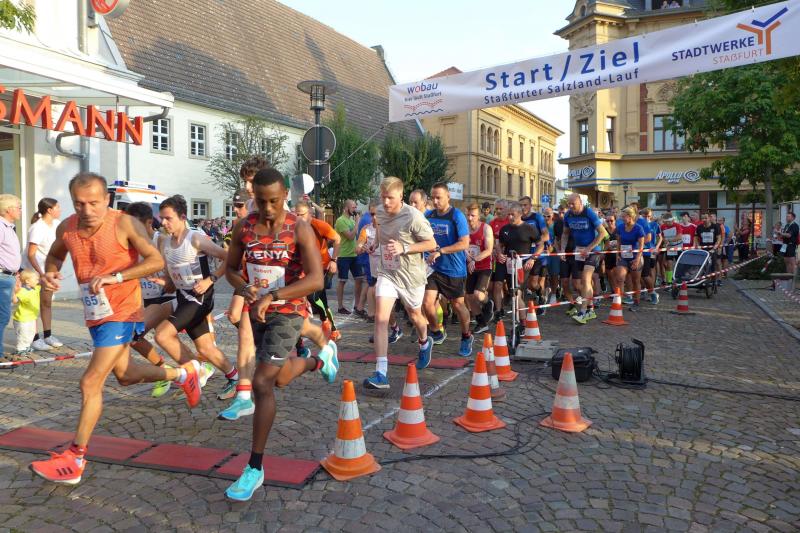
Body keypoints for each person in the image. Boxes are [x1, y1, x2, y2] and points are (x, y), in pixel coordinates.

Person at [30, 173, 201, 485]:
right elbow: (54, 254)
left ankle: (75, 459)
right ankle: (182, 374)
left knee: (90, 381)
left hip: (122, 310)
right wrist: (50, 273)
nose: (87, 210)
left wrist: (117, 277)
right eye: (79, 204)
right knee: (126, 375)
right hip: (95, 312)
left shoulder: (124, 224)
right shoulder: (67, 227)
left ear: (107, 199)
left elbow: (154, 261)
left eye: (94, 203)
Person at [223, 168, 337, 501]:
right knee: (281, 379)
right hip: (258, 312)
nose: (268, 208)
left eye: (274, 201)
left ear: (285, 195)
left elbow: (315, 279)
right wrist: (244, 288)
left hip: (289, 312)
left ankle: (254, 467)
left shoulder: (298, 228)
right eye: (261, 201)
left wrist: (274, 295)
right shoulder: (244, 227)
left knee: (261, 383)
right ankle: (318, 361)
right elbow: (231, 269)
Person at [153, 195, 237, 397]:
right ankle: (235, 377)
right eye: (161, 218)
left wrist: (211, 279)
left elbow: (228, 257)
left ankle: (194, 373)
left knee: (162, 335)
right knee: (206, 348)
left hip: (200, 299)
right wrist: (164, 282)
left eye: (168, 218)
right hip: (184, 297)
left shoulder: (195, 238)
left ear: (183, 217)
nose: (163, 223)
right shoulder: (166, 243)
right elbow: (172, 280)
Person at [363, 177, 435, 390]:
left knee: (415, 315)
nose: (385, 202)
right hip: (387, 272)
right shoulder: (380, 212)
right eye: (383, 197)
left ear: (401, 196)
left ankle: (424, 341)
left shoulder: (413, 216)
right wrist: (375, 244)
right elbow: (381, 229)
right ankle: (381, 372)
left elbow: (431, 243)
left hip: (411, 277)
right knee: (380, 318)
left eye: (390, 198)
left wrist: (404, 248)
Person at [125, 202, 184, 399]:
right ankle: (171, 370)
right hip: (147, 299)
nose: (132, 230)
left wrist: (168, 279)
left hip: (166, 297)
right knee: (164, 338)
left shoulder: (161, 240)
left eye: (136, 226)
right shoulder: (130, 244)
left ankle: (176, 372)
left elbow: (175, 271)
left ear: (149, 223)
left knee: (134, 335)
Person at [423, 183, 473, 357]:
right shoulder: (429, 215)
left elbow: (464, 243)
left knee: (458, 305)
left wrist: (441, 251)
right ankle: (437, 331)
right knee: (427, 303)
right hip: (434, 268)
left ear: (448, 197)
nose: (435, 201)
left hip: (454, 269)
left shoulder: (457, 216)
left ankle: (466, 336)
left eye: (439, 197)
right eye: (433, 198)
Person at [293, 200, 341, 344]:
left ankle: (325, 320)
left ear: (310, 214)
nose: (298, 218)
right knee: (322, 299)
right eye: (296, 215)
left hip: (322, 266)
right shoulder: (293, 227)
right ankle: (334, 330)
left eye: (301, 215)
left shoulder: (319, 225)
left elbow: (337, 239)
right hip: (304, 268)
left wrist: (334, 260)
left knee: (312, 296)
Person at [496, 202, 544, 335]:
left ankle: (522, 323)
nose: (510, 217)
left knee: (516, 293)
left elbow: (541, 245)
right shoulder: (505, 229)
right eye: (509, 214)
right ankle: (519, 321)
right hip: (509, 264)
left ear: (520, 214)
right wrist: (499, 253)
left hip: (523, 265)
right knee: (514, 293)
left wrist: (532, 258)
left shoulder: (529, 228)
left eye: (513, 215)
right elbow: (500, 245)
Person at [561, 193, 608, 324]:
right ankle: (590, 309)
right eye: (569, 204)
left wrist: (589, 248)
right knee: (579, 284)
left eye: (573, 204)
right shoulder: (568, 215)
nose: (571, 206)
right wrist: (563, 249)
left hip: (593, 250)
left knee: (586, 279)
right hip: (579, 251)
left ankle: (583, 312)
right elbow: (565, 234)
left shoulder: (589, 213)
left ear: (580, 203)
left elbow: (603, 233)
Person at [25, 198, 63, 351]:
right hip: (32, 272)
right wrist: (41, 274)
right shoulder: (37, 228)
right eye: (57, 207)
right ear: (49, 210)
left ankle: (48, 336)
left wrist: (54, 270)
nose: (60, 210)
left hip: (47, 271)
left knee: (46, 303)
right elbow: (31, 254)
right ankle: (34, 339)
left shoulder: (57, 224)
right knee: (33, 305)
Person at [465, 203, 494, 335]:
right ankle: (481, 323)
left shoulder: (486, 228)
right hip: (470, 266)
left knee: (478, 295)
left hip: (484, 266)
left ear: (479, 216)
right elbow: (462, 246)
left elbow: (489, 250)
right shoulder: (464, 229)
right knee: (469, 296)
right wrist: (468, 257)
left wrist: (474, 260)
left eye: (473, 215)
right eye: (468, 215)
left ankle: (488, 303)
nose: (470, 218)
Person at [519, 196, 550, 315]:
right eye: (521, 205)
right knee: (522, 284)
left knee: (532, 284)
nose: (523, 207)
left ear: (530, 206)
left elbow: (546, 236)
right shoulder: (518, 218)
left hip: (537, 254)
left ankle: (542, 296)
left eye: (525, 205)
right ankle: (520, 311)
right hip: (523, 255)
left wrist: (534, 241)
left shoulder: (537, 217)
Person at [0, 194, 22, 361]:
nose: (21, 210)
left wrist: (17, 274)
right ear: (8, 210)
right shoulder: (1, 227)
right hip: (2, 277)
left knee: (3, 317)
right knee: (2, 317)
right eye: (18, 207)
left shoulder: (9, 227)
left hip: (9, 277)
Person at [612, 208, 646, 311]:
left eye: (624, 216)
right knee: (620, 278)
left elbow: (641, 246)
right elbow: (618, 242)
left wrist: (637, 259)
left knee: (636, 281)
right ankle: (619, 302)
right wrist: (617, 254)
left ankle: (636, 302)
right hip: (623, 257)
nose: (622, 218)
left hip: (635, 257)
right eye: (621, 216)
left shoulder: (638, 228)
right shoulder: (620, 227)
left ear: (630, 217)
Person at [335, 199, 365, 316]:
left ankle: (357, 305)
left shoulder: (351, 221)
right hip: (344, 255)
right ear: (347, 208)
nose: (355, 209)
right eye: (353, 207)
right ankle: (340, 306)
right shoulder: (341, 221)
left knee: (359, 279)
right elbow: (351, 236)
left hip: (354, 254)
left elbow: (357, 238)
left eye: (355, 207)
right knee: (342, 281)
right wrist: (357, 222)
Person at [489, 199, 510, 322]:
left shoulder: (511, 221)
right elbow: (490, 240)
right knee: (497, 285)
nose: (498, 211)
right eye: (496, 208)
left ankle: (517, 310)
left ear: (507, 209)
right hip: (498, 258)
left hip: (511, 258)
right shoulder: (492, 223)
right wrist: (493, 249)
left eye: (501, 209)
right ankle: (498, 310)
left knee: (511, 286)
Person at [12, 269, 41, 355]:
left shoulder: (35, 288)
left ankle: (26, 346)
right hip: (22, 319)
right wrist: (14, 292)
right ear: (28, 281)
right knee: (23, 335)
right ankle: (20, 349)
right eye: (36, 279)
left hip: (31, 317)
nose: (38, 281)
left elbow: (43, 284)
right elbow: (15, 301)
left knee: (31, 333)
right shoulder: (22, 291)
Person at [694, 213, 723, 283]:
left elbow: (719, 238)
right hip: (703, 249)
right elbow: (696, 237)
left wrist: (714, 248)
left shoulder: (715, 227)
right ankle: (704, 280)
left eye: (706, 218)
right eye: (703, 218)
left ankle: (714, 281)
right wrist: (698, 246)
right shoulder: (699, 227)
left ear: (709, 218)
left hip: (713, 249)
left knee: (714, 264)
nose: (704, 220)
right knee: (703, 265)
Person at [660, 212, 682, 285]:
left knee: (679, 264)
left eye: (669, 222)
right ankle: (669, 282)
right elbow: (661, 236)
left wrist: (669, 240)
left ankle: (679, 279)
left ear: (672, 220)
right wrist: (664, 240)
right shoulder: (663, 226)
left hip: (678, 247)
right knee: (669, 264)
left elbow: (679, 237)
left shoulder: (677, 225)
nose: (667, 224)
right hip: (669, 248)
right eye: (665, 222)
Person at [780, 212, 799, 278]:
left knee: (792, 261)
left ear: (793, 218)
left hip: (791, 245)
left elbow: (789, 235)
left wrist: (781, 233)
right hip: (784, 245)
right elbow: (784, 235)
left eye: (789, 216)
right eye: (787, 216)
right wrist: (779, 235)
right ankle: (789, 277)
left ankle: (794, 278)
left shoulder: (794, 225)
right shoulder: (786, 225)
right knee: (786, 261)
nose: (787, 218)